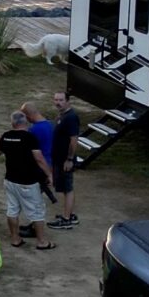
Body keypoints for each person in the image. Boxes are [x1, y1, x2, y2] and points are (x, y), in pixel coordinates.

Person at [0, 110, 55, 251]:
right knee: (37, 211)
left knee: (12, 209)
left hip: (10, 180)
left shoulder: (6, 136)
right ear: (25, 122)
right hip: (28, 181)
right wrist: (49, 174)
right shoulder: (29, 138)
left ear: (12, 123)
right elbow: (39, 158)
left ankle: (15, 239)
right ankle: (42, 242)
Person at [49, 90, 84, 228]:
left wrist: (69, 159)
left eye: (61, 100)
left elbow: (74, 140)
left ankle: (66, 218)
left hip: (65, 160)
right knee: (64, 188)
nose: (58, 102)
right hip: (58, 159)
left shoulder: (71, 117)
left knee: (68, 188)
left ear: (68, 101)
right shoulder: (62, 116)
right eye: (56, 100)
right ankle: (69, 214)